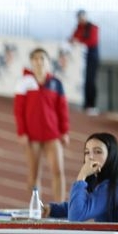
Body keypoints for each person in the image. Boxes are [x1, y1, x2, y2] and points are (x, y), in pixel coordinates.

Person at [13, 48, 70, 202]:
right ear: (31, 62)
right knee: (34, 174)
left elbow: (62, 109)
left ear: (48, 62)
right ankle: (36, 208)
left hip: (52, 135)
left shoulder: (56, 83)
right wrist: (22, 132)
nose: (39, 61)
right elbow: (18, 111)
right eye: (35, 59)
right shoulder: (24, 83)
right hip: (32, 136)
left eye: (42, 58)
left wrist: (64, 131)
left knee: (58, 171)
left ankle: (60, 207)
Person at [69, 10, 100, 116]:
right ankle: (85, 104)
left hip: (91, 59)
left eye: (82, 17)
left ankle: (91, 105)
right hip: (80, 61)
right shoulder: (77, 28)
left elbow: (92, 41)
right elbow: (71, 39)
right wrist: (73, 41)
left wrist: (79, 41)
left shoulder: (93, 27)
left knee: (90, 81)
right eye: (79, 18)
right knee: (82, 81)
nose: (80, 20)